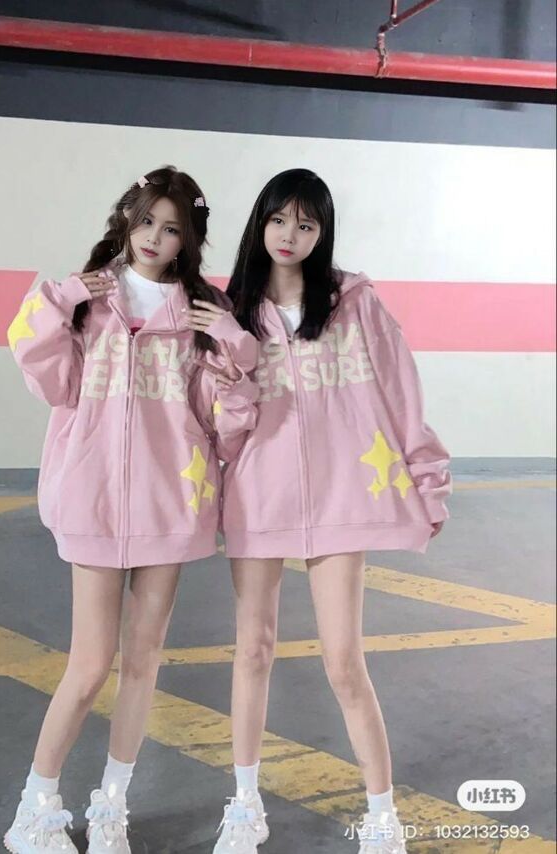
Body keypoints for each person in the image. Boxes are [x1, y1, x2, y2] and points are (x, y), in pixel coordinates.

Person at [4, 165, 259, 854]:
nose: (154, 236)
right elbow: (45, 375)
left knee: (143, 663)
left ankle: (111, 805)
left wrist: (235, 346)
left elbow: (227, 421)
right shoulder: (89, 298)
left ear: (187, 240)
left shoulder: (201, 314)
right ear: (126, 219)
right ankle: (34, 809)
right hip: (92, 502)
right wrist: (60, 300)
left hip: (169, 506)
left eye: (171, 228)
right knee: (90, 665)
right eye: (145, 220)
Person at [201, 168, 452, 854]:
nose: (290, 234)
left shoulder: (354, 304)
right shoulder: (230, 311)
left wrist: (427, 480)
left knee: (343, 660)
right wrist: (232, 371)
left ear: (322, 232)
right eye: (279, 219)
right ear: (261, 222)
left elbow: (402, 392)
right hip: (259, 496)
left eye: (306, 223)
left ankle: (382, 815)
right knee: (253, 650)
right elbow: (223, 425)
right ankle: (244, 805)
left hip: (344, 496)